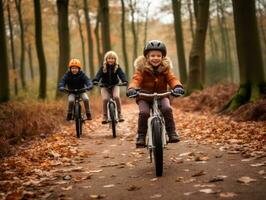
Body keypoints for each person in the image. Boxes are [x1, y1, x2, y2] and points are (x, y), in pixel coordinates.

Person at [126, 40, 185, 148]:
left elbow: (172, 79)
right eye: (152, 55)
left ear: (162, 57)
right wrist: (132, 89)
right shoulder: (141, 69)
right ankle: (141, 135)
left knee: (167, 109)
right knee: (144, 113)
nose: (155, 58)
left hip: (162, 95)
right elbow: (136, 80)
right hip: (144, 96)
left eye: (158, 55)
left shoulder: (166, 69)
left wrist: (177, 87)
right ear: (147, 57)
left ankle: (172, 132)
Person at [93, 50, 128, 124]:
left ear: (115, 60)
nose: (111, 60)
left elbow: (122, 74)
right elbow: (98, 75)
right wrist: (96, 80)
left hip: (115, 85)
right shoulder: (103, 67)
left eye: (113, 58)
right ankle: (105, 116)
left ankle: (119, 114)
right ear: (106, 59)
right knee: (105, 99)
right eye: (109, 58)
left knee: (116, 97)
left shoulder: (117, 67)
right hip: (104, 86)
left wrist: (124, 81)